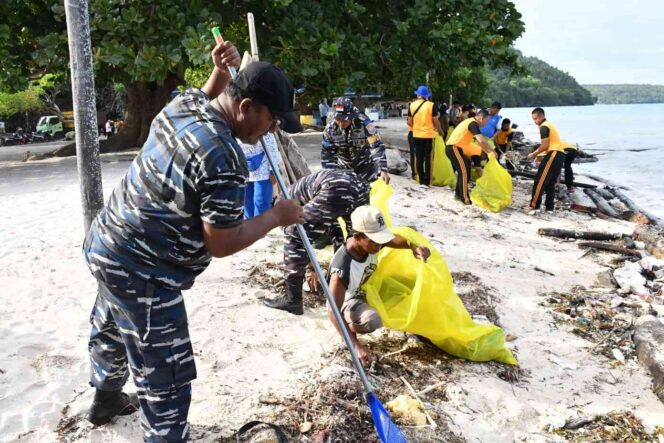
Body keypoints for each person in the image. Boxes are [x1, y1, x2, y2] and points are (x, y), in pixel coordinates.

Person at [82, 41, 305, 442]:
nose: (273, 130)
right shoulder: (223, 158)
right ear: (247, 106)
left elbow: (206, 95)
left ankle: (106, 398)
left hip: (105, 242)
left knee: (113, 325)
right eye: (273, 119)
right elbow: (221, 242)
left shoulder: (185, 105)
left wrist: (219, 71)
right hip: (146, 271)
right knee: (164, 373)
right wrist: (276, 216)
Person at [328, 206, 430, 365]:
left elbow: (398, 240)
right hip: (350, 299)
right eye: (375, 242)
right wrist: (356, 346)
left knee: (410, 287)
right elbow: (333, 310)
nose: (379, 245)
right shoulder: (342, 269)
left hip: (368, 288)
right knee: (372, 321)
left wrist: (414, 247)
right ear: (358, 235)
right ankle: (347, 333)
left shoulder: (373, 243)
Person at [264, 169, 371, 315]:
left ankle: (292, 300)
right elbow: (334, 229)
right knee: (357, 237)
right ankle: (347, 283)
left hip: (336, 187)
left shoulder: (284, 206)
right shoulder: (301, 194)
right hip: (360, 186)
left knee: (293, 234)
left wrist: (311, 269)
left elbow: (301, 237)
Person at [321, 97, 390, 184]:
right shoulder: (330, 129)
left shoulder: (365, 124)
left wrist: (382, 169)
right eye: (338, 119)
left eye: (344, 119)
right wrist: (331, 177)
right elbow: (327, 156)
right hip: (344, 173)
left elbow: (376, 145)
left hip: (366, 171)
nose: (341, 123)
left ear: (351, 116)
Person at [445, 109, 494, 204]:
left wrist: (489, 152)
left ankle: (458, 195)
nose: (486, 123)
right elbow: (481, 141)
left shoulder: (471, 122)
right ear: (481, 118)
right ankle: (465, 198)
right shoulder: (473, 123)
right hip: (453, 148)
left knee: (466, 166)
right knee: (464, 172)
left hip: (457, 149)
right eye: (486, 120)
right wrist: (492, 152)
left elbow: (481, 143)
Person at [527, 107, 567, 214]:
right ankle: (549, 208)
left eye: (535, 119)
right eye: (533, 119)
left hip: (554, 153)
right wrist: (540, 156)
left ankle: (535, 206)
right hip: (559, 153)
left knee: (540, 180)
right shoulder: (549, 124)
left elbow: (545, 145)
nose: (534, 122)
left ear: (541, 116)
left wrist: (533, 154)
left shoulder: (544, 126)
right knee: (550, 183)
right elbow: (549, 144)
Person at [407, 86, 444, 188]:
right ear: (426, 96)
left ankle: (421, 181)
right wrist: (440, 131)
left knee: (419, 157)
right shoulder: (431, 105)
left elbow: (410, 122)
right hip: (428, 135)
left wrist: (418, 126)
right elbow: (435, 121)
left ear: (418, 95)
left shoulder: (411, 105)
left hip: (416, 135)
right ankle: (427, 182)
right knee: (428, 158)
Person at [239, 132, 282, 218]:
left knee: (261, 201)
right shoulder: (234, 127)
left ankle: (260, 227)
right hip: (244, 166)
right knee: (246, 202)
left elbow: (272, 148)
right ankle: (248, 227)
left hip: (263, 168)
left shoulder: (263, 128)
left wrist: (272, 171)